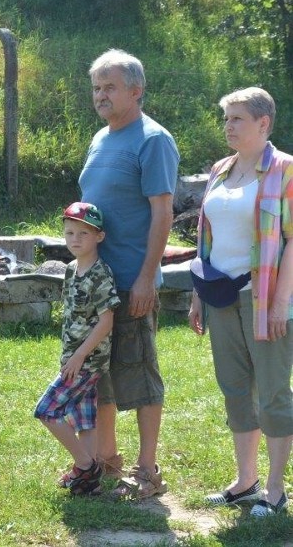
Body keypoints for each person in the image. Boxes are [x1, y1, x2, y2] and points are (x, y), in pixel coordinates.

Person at [79, 49, 179, 499]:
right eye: (97, 87)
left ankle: (148, 470)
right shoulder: (101, 138)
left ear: (136, 92)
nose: (101, 95)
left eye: (110, 87)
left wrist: (145, 277)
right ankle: (106, 462)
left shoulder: (152, 139)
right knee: (99, 374)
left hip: (130, 280)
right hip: (97, 280)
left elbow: (163, 215)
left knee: (138, 375)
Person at [188, 87, 293, 517]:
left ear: (263, 124)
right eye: (226, 118)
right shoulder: (220, 169)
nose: (228, 126)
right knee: (235, 389)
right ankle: (245, 481)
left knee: (271, 393)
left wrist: (279, 300)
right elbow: (206, 238)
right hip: (219, 295)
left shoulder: (285, 170)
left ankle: (274, 489)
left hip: (264, 297)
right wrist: (198, 296)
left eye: (237, 119)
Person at [33, 202, 120, 494]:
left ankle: (85, 465)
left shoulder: (100, 274)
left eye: (83, 233)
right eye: (69, 233)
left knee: (47, 411)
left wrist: (80, 356)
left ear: (99, 237)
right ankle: (89, 480)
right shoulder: (71, 270)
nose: (75, 239)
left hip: (88, 361)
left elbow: (106, 321)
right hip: (73, 358)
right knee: (85, 419)